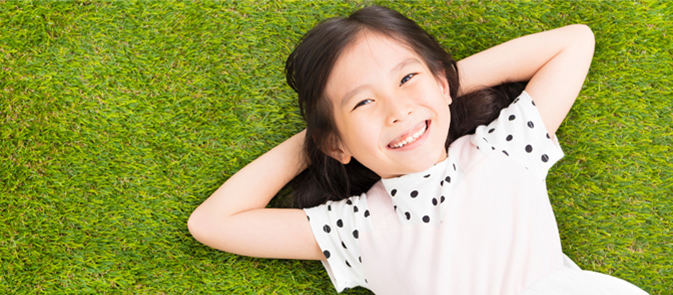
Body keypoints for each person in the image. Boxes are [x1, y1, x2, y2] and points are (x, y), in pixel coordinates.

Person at [188, 5, 648, 295]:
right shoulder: (355, 227)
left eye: (407, 78)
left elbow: (572, 42)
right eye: (363, 102)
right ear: (336, 143)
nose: (398, 110)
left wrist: (438, 85)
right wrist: (318, 139)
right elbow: (212, 223)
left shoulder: (502, 150)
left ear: (442, 82)